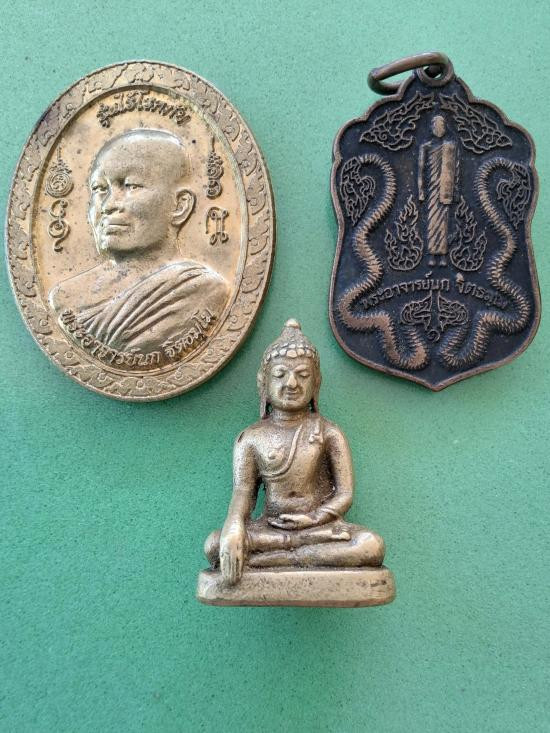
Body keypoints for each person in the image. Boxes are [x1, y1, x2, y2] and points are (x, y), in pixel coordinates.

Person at [204, 319, 385, 586]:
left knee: (370, 545)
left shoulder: (328, 432)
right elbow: (243, 493)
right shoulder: (251, 438)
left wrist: (313, 518)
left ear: (316, 383)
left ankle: (279, 559)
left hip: (320, 529)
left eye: (302, 375)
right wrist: (234, 527)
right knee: (214, 544)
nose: (291, 383)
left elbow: (344, 494)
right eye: (280, 374)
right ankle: (290, 553)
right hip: (271, 529)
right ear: (263, 383)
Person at [49, 129, 228, 354]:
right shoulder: (65, 298)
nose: (108, 205)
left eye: (131, 186)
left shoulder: (202, 291)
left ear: (180, 206)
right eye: (99, 189)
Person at [418, 115, 458, 267]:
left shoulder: (450, 147)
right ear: (432, 127)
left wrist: (455, 190)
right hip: (432, 190)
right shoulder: (425, 147)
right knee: (432, 222)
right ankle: (432, 255)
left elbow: (456, 170)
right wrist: (421, 191)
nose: (440, 128)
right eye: (437, 125)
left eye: (442, 125)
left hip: (445, 191)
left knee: (444, 223)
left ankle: (442, 256)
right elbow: (421, 171)